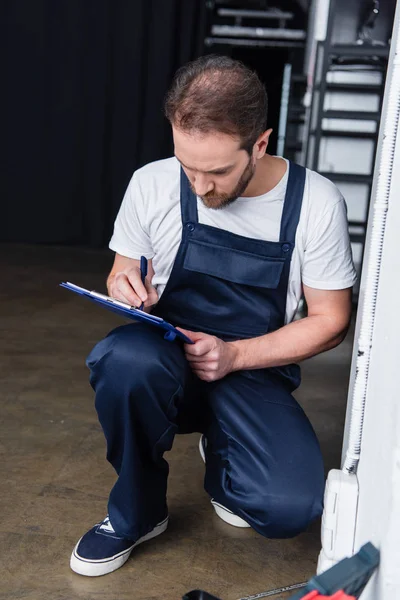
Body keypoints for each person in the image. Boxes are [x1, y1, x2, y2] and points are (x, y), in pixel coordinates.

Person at [70, 55, 356, 577]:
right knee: (123, 360)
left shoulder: (315, 203)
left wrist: (236, 355)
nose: (199, 186)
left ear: (261, 144)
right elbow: (120, 271)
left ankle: (225, 459)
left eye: (218, 171)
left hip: (251, 366)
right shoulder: (151, 184)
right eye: (187, 166)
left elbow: (332, 319)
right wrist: (124, 286)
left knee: (287, 508)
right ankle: (136, 512)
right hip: (166, 360)